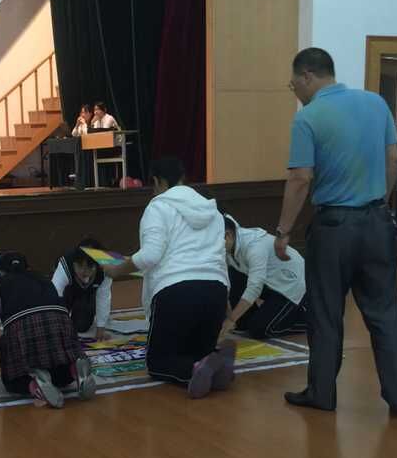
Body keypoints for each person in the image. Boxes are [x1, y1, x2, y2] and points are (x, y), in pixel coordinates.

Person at [274, 47, 397, 415]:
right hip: (377, 224)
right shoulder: (376, 103)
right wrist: (379, 203)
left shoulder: (308, 118)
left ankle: (322, 393)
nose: (295, 91)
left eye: (293, 84)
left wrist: (283, 231)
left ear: (307, 76)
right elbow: (393, 159)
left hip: (333, 228)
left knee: (325, 313)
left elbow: (301, 178)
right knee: (385, 312)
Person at [104, 157, 235, 399]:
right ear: (183, 178)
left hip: (176, 292)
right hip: (215, 292)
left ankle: (194, 371)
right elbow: (220, 258)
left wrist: (118, 270)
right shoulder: (213, 211)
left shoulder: (158, 207)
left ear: (157, 181)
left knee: (158, 361)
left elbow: (151, 255)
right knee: (197, 351)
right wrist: (226, 305)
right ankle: (213, 363)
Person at [0, 252, 96, 409]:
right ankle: (73, 370)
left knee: (11, 381)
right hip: (60, 324)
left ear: (1, 272)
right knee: (61, 377)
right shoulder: (45, 280)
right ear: (28, 268)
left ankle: (34, 385)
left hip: (24, 328)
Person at [223, 214, 307, 338]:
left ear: (228, 235)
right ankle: (251, 320)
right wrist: (228, 313)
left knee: (259, 329)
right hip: (269, 283)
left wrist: (231, 319)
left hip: (290, 286)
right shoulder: (228, 246)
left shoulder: (255, 247)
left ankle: (308, 319)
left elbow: (255, 287)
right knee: (235, 275)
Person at [51, 237, 113, 340]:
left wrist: (101, 328)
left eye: (90, 267)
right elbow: (54, 294)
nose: (84, 271)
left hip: (88, 294)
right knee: (60, 326)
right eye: (79, 266)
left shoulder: (106, 267)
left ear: (98, 265)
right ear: (74, 262)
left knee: (81, 326)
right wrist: (55, 326)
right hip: (68, 292)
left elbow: (104, 297)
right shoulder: (65, 263)